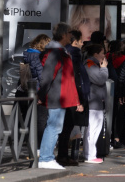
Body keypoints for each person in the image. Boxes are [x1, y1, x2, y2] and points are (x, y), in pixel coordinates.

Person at [37, 23, 82, 170]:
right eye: (69, 32)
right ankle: (46, 158)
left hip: (60, 95)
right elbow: (48, 76)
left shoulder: (59, 52)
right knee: (54, 127)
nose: (71, 35)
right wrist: (42, 95)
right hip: (57, 95)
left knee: (55, 127)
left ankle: (47, 157)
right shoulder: (56, 53)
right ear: (63, 35)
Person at [57, 30, 90, 166]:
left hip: (66, 95)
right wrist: (80, 100)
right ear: (75, 41)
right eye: (81, 41)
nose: (82, 44)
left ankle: (63, 155)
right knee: (67, 127)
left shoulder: (65, 53)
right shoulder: (74, 54)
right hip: (72, 96)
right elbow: (77, 78)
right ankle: (63, 156)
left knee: (66, 127)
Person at [19, 33, 51, 152]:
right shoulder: (37, 57)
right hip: (37, 91)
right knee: (41, 120)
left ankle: (31, 144)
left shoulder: (28, 54)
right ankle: (37, 147)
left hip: (28, 90)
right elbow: (41, 75)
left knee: (32, 118)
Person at [83, 44, 109, 163]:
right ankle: (90, 155)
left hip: (96, 101)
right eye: (102, 53)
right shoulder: (90, 64)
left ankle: (91, 154)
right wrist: (104, 68)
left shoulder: (92, 64)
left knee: (94, 129)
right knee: (92, 129)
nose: (104, 56)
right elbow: (100, 79)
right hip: (93, 102)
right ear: (95, 54)